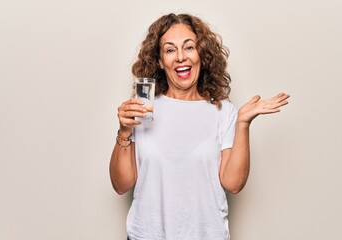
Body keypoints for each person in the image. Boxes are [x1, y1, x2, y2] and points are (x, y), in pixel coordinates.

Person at [110, 13, 289, 240]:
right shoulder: (143, 109)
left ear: (201, 54)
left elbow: (233, 184)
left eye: (189, 47)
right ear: (159, 60)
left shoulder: (223, 112)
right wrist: (124, 132)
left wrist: (243, 123)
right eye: (170, 50)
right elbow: (121, 185)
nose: (181, 57)